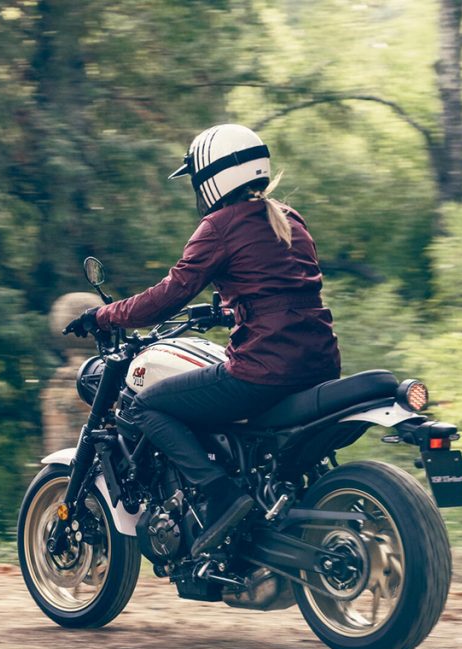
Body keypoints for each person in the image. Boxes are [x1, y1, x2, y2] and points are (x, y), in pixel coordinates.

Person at [65, 123, 341, 556]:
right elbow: (279, 286)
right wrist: (229, 308)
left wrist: (103, 315)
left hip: (262, 371)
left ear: (212, 179)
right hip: (319, 363)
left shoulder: (220, 226)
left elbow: (166, 297)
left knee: (142, 406)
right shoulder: (288, 219)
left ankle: (220, 495)